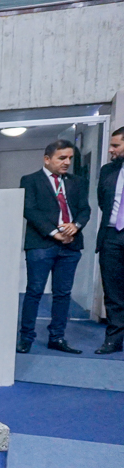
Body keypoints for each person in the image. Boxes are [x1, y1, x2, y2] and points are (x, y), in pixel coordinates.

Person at [16, 140, 90, 354]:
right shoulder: (31, 180)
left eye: (70, 158)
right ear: (47, 159)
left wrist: (75, 226)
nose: (67, 162)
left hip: (71, 245)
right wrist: (55, 233)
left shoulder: (78, 182)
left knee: (63, 293)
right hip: (42, 244)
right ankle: (26, 337)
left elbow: (85, 209)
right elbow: (29, 210)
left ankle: (57, 337)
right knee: (34, 291)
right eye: (62, 158)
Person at [95, 126, 124, 354]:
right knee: (113, 292)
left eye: (115, 145)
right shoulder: (107, 171)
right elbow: (102, 202)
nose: (111, 150)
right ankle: (113, 340)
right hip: (111, 235)